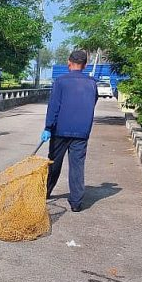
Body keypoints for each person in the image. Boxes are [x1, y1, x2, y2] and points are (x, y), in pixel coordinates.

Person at [41, 49, 98, 212]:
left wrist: (47, 127)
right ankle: (76, 203)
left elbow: (54, 106)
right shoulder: (92, 83)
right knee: (77, 166)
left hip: (60, 130)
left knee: (53, 163)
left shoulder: (60, 81)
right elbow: (92, 102)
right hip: (82, 131)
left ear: (69, 62)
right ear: (85, 65)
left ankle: (45, 192)